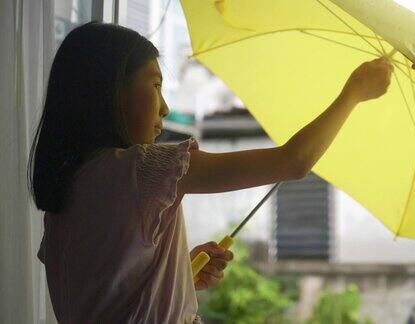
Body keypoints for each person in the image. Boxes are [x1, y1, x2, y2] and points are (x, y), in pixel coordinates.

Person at [27, 21, 392, 323]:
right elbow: (294, 162)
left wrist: (177, 276)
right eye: (155, 85)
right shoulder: (143, 170)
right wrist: (354, 93)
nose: (165, 108)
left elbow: (113, 295)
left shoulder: (69, 185)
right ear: (108, 93)